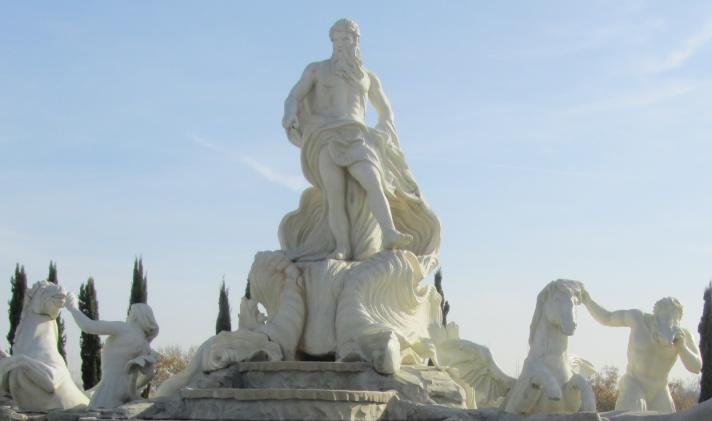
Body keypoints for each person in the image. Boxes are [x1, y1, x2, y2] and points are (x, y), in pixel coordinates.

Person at [280, 18, 439, 262]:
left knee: (373, 181)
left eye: (346, 39)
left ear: (356, 41)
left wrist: (384, 127)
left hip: (356, 136)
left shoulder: (368, 77)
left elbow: (385, 110)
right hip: (326, 136)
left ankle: (389, 232)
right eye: (337, 40)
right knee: (335, 193)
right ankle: (342, 246)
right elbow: (294, 95)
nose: (341, 44)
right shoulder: (317, 70)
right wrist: (290, 114)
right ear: (332, 42)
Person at [581, 291, 701, 413]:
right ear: (656, 314)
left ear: (678, 319)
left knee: (668, 417)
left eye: (673, 318)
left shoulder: (683, 335)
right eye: (664, 316)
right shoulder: (638, 319)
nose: (669, 321)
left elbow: (696, 367)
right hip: (634, 382)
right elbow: (607, 318)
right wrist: (587, 300)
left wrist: (682, 347)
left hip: (659, 389)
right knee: (633, 413)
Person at [65, 294, 159, 409]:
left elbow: (88, 326)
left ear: (135, 316)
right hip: (126, 391)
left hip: (110, 389)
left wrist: (72, 307)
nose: (128, 316)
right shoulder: (145, 345)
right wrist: (133, 389)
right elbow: (149, 375)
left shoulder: (124, 328)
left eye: (130, 313)